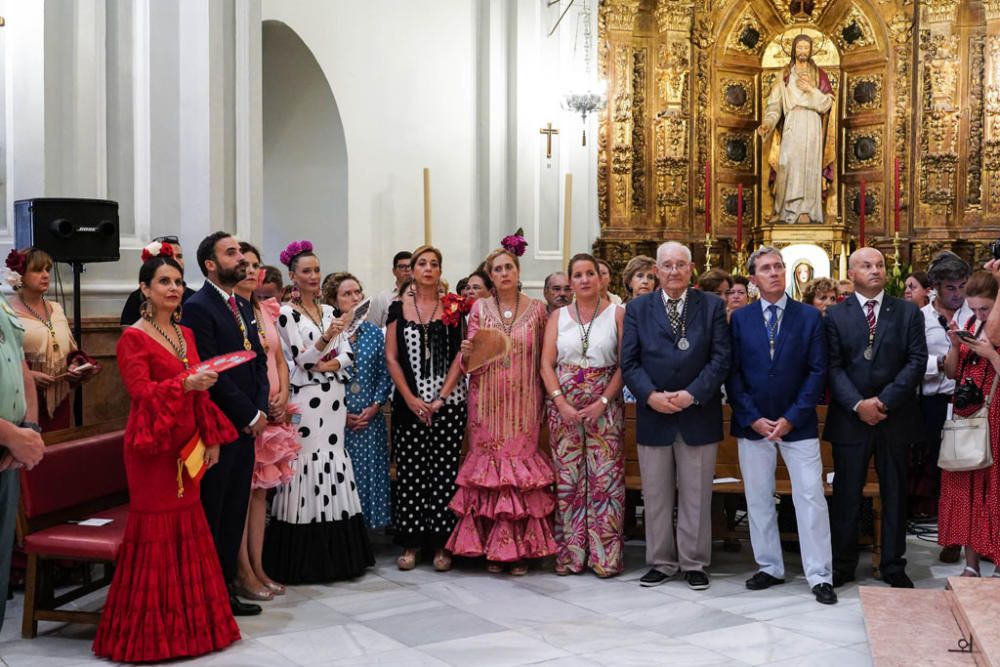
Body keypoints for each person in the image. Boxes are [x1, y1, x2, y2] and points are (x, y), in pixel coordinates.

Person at [92, 248, 240, 662]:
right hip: (152, 450)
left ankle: (195, 630)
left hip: (187, 444)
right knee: (157, 531)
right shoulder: (133, 337)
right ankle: (150, 635)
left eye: (177, 282)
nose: (174, 288)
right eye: (164, 282)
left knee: (190, 527)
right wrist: (187, 384)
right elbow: (141, 394)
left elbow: (201, 394)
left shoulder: (186, 334)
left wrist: (210, 438)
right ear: (145, 289)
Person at [727, 247, 836, 605]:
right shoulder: (740, 320)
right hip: (754, 423)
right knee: (758, 497)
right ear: (753, 279)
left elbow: (818, 371)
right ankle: (769, 566)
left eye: (778, 267)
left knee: (810, 497)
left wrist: (792, 417)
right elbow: (734, 373)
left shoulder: (808, 317)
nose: (774, 273)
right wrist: (753, 417)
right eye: (765, 269)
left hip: (797, 422)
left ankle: (819, 574)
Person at [622, 241, 730, 591]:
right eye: (666, 265)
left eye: (680, 265)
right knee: (656, 494)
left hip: (697, 411)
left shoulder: (712, 306)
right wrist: (650, 396)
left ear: (691, 268)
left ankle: (694, 561)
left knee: (696, 494)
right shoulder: (638, 309)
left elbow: (720, 359)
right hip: (654, 412)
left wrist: (692, 394)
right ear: (656, 270)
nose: (673, 271)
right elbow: (629, 362)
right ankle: (661, 561)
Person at [264, 242, 373, 583]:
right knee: (305, 465)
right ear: (293, 277)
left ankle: (340, 556)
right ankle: (303, 557)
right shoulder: (286, 313)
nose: (313, 276)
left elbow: (348, 357)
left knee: (334, 461)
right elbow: (302, 359)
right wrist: (326, 344)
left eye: (316, 270)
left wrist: (329, 361)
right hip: (305, 402)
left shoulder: (329, 310)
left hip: (334, 398)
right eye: (306, 271)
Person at [448, 247, 556, 574]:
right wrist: (468, 352)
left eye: (509, 267)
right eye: (497, 269)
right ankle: (489, 549)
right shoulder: (479, 308)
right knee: (490, 471)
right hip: (486, 403)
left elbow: (545, 360)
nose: (505, 273)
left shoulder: (538, 311)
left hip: (524, 404)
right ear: (490, 276)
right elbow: (470, 360)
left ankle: (521, 550)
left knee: (518, 473)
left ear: (519, 272)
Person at [825, 248, 927, 589]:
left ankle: (893, 564)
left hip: (894, 417)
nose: (875, 270)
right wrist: (858, 404)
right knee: (846, 494)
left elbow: (916, 361)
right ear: (851, 273)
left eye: (880, 265)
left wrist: (883, 402)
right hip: (850, 418)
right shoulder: (835, 315)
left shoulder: (907, 312)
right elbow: (832, 366)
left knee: (895, 492)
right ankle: (842, 564)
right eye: (866, 265)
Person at [181, 232, 269, 617]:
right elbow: (212, 368)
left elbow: (258, 359)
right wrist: (248, 414)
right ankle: (212, 592)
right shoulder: (200, 306)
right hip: (222, 425)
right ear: (211, 265)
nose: (242, 259)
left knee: (235, 508)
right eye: (231, 253)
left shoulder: (241, 303)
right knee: (216, 510)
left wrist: (261, 408)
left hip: (249, 423)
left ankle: (228, 587)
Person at [541, 253, 624, 577]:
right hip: (564, 411)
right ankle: (571, 556)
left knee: (605, 484)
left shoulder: (618, 314)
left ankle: (605, 558)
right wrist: (561, 402)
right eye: (578, 275)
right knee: (568, 483)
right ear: (571, 281)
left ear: (601, 278)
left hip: (605, 409)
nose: (585, 280)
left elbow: (623, 365)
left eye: (590, 273)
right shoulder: (558, 317)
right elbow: (546, 364)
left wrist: (603, 401)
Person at [385, 245, 468, 571]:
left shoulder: (454, 307)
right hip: (410, 403)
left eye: (435, 263)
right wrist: (409, 398)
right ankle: (411, 543)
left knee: (444, 474)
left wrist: (441, 398)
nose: (428, 269)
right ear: (412, 271)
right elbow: (392, 357)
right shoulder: (397, 308)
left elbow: (462, 357)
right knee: (411, 473)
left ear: (440, 270)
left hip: (447, 403)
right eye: (422, 263)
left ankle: (442, 545)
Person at [233, 242, 299, 601]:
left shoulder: (264, 308)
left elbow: (280, 359)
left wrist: (284, 394)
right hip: (250, 415)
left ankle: (258, 566)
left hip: (274, 411)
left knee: (261, 495)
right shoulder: (233, 310)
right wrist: (259, 405)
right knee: (243, 496)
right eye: (243, 264)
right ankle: (242, 570)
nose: (250, 271)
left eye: (255, 265)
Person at [938, 269, 1000, 577]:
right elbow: (951, 373)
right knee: (965, 489)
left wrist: (989, 352)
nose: (978, 314)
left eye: (984, 309)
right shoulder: (971, 324)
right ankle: (971, 565)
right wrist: (953, 343)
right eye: (973, 309)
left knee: (994, 488)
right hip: (966, 414)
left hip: (995, 413)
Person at [324, 272, 393, 530]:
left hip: (369, 415)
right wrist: (340, 415)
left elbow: (385, 373)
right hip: (334, 419)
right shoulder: (327, 333)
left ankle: (365, 533)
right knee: (339, 478)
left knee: (367, 475)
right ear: (333, 300)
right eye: (347, 294)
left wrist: (375, 406)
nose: (355, 298)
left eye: (357, 292)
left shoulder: (375, 333)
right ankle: (342, 534)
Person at [7, 247, 99, 431]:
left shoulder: (56, 308)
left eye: (47, 270)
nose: (45, 275)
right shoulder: (6, 311)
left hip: (59, 400)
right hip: (22, 402)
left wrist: (75, 365)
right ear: (20, 275)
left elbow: (69, 350)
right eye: (37, 270)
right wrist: (28, 376)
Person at [918, 252, 972, 560]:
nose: (957, 294)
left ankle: (974, 539)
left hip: (969, 400)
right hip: (935, 401)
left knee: (971, 468)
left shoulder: (974, 313)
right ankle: (949, 536)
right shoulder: (920, 317)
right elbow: (912, 358)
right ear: (936, 287)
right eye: (951, 288)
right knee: (941, 471)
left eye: (962, 286)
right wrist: (939, 362)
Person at [0, 293, 44, 636]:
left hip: (7, 452)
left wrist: (28, 429)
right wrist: (11, 435)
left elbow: (21, 366)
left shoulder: (1, 300)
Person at [758, 33, 835, 224]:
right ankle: (785, 211)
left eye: (806, 48)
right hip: (792, 122)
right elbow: (774, 105)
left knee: (809, 166)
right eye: (799, 47)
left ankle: (806, 211)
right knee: (787, 164)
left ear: (810, 51)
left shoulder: (818, 74)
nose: (802, 51)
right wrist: (768, 123)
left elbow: (827, 104)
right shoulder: (785, 75)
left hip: (812, 123)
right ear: (794, 50)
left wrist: (811, 90)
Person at [119, 235, 197, 327]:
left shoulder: (194, 298)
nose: (175, 261)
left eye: (179, 256)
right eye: (164, 281)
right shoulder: (136, 298)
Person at [368, 251, 412, 327]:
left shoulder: (423, 296)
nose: (407, 270)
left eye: (410, 266)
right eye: (402, 267)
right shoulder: (382, 298)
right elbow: (371, 330)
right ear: (394, 271)